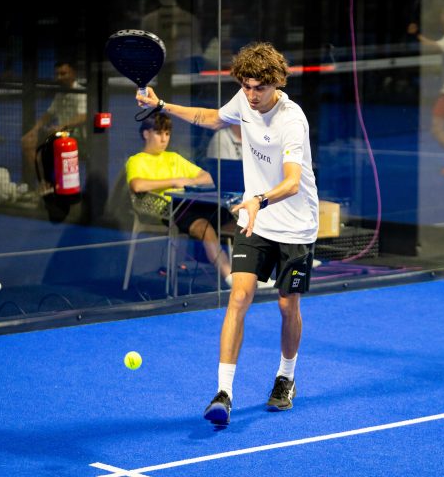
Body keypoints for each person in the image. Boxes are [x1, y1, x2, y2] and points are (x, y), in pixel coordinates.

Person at [136, 41, 319, 425]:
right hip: (257, 222)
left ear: (277, 82)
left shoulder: (292, 120)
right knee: (239, 296)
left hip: (295, 225)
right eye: (246, 86)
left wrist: (258, 200)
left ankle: (286, 378)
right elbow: (211, 118)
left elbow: (291, 182)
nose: (251, 95)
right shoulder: (244, 100)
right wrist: (162, 106)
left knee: (287, 305)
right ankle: (223, 393)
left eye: (259, 88)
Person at [126, 113, 235, 286]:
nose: (164, 139)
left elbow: (208, 177)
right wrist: (174, 181)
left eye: (167, 134)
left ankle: (253, 276)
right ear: (146, 134)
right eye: (159, 133)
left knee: (237, 221)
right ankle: (231, 278)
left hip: (193, 203)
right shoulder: (137, 160)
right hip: (167, 209)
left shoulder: (173, 158)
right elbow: (137, 185)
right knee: (203, 228)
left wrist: (189, 182)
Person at [408, 2, 444, 175]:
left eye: (443, 13)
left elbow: (436, 47)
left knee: (438, 129)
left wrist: (416, 35)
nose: (441, 15)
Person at [20, 61, 87, 188]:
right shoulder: (60, 93)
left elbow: (83, 116)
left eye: (63, 73)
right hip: (59, 132)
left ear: (73, 74)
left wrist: (61, 127)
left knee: (51, 143)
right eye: (57, 74)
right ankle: (44, 183)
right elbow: (49, 114)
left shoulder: (81, 92)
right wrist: (34, 130)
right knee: (27, 141)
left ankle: (53, 184)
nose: (59, 77)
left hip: (77, 137)